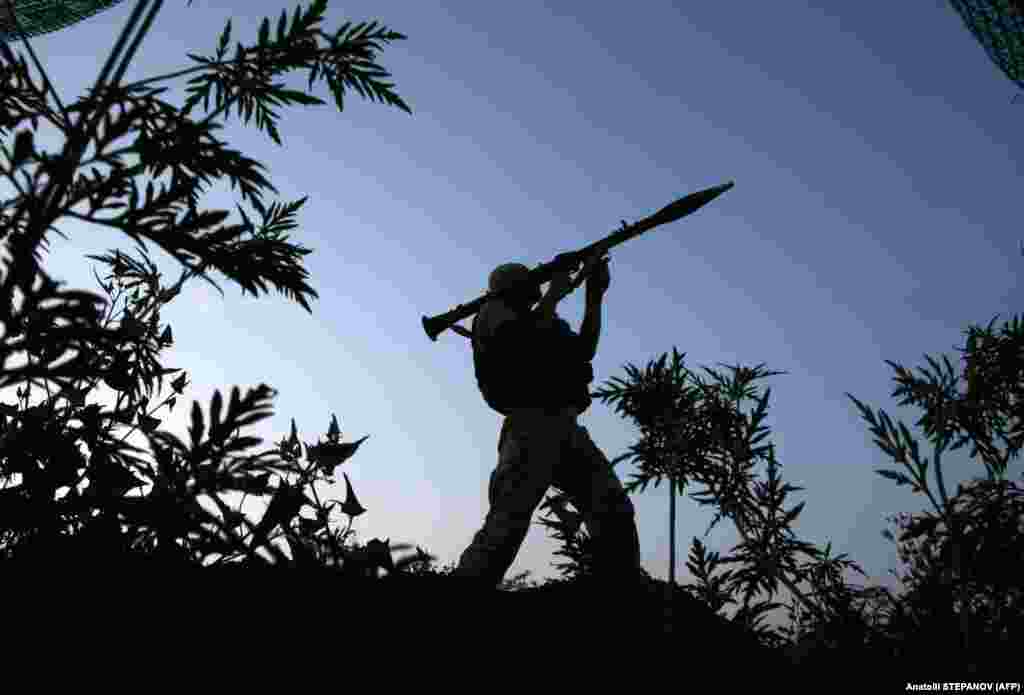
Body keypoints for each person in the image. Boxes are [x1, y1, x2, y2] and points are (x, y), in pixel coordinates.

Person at [453, 253, 642, 589]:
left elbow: (583, 349)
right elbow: (517, 342)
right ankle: (464, 589)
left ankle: (620, 589)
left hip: (565, 427)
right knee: (506, 525)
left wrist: (594, 296)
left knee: (613, 511)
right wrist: (556, 293)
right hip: (530, 428)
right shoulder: (492, 315)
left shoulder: (547, 322)